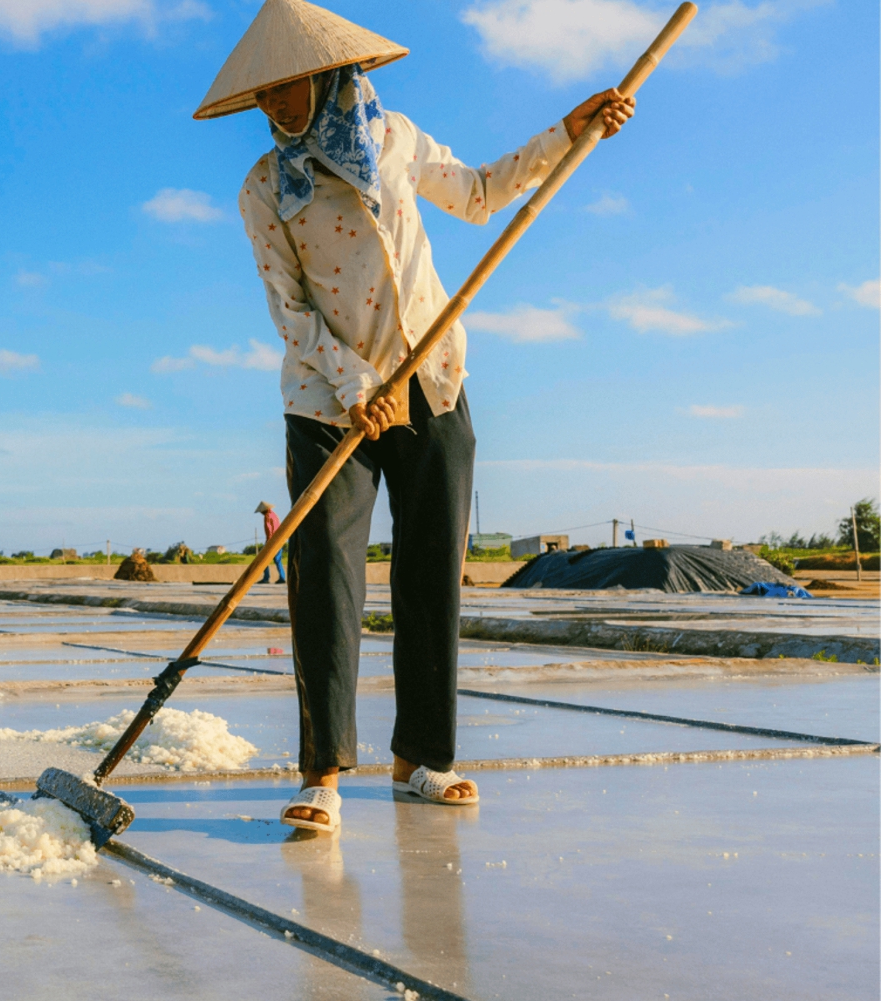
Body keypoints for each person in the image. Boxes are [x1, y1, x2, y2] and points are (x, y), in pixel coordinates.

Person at [194, 0, 634, 830]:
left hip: (432, 379)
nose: (277, 105)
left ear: (327, 73)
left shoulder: (394, 136)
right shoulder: (264, 187)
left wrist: (568, 134)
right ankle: (322, 772)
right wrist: (359, 384)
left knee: (432, 572)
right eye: (264, 93)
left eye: (289, 85)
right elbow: (289, 311)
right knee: (325, 579)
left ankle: (422, 759)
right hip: (330, 401)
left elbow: (476, 194)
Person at [255, 501, 287, 583]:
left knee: (263, 559)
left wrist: (268, 542)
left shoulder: (267, 517)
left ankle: (266, 578)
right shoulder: (274, 515)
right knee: (278, 560)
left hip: (272, 541)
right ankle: (282, 577)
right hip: (279, 540)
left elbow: (269, 531)